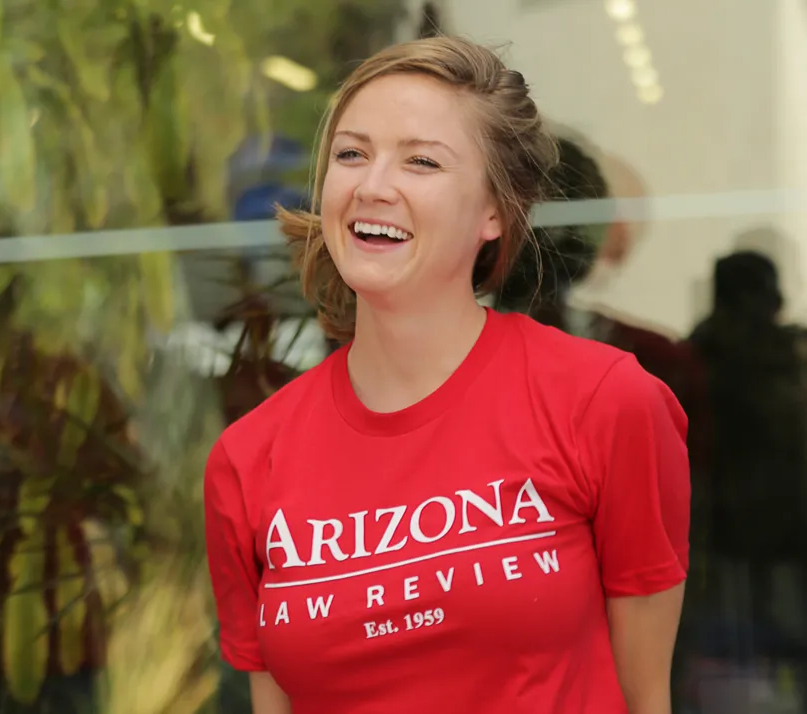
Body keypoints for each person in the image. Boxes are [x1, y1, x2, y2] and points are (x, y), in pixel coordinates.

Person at [203, 35, 690, 714]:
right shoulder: (247, 460)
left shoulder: (606, 402)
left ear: (495, 209)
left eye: (422, 161)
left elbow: (647, 699)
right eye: (351, 154)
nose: (373, 186)